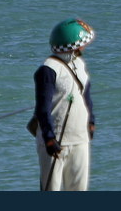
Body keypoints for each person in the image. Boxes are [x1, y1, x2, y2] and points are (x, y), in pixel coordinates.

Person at [28, 19, 96, 191]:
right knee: (51, 188)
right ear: (74, 45)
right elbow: (43, 107)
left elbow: (86, 96)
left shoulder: (79, 65)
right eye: (82, 44)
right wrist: (49, 138)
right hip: (56, 141)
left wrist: (91, 122)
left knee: (78, 189)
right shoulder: (48, 69)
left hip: (80, 138)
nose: (84, 48)